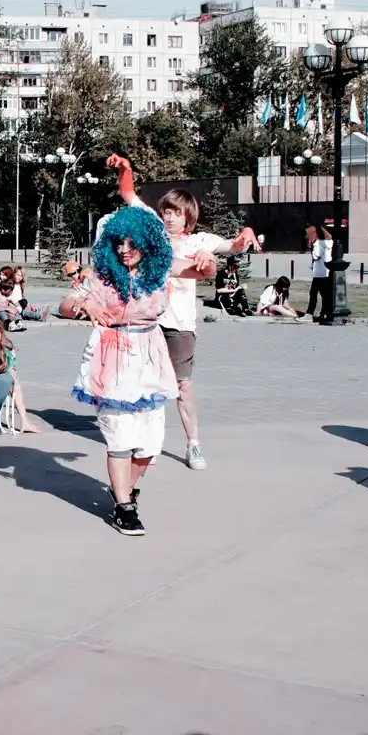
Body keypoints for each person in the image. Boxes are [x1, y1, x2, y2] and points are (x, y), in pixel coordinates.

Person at [71, 204, 214, 536]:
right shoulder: (103, 276)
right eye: (119, 243)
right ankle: (124, 506)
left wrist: (206, 257)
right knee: (119, 437)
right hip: (113, 359)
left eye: (132, 243)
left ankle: (121, 489)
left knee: (150, 444)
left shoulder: (160, 269)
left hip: (151, 359)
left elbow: (204, 271)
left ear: (147, 243)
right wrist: (86, 303)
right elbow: (67, 302)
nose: (124, 250)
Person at [156, 188, 260, 471]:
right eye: (166, 212)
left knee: (183, 386)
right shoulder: (153, 239)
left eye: (177, 213)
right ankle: (150, 442)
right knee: (150, 384)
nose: (170, 218)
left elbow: (234, 246)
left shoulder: (199, 241)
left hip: (179, 325)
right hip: (149, 322)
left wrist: (246, 232)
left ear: (188, 216)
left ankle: (193, 444)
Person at [305, 225, 333, 320]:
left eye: (308, 234)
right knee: (324, 295)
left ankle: (309, 314)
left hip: (318, 274)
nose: (306, 237)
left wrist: (311, 246)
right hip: (326, 272)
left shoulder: (317, 244)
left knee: (313, 294)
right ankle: (324, 313)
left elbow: (316, 256)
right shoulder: (328, 243)